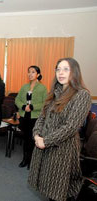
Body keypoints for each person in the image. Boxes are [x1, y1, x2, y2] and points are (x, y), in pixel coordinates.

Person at [28, 58, 91, 201]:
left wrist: (46, 141)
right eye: (58, 69)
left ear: (74, 72)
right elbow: (42, 117)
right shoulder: (54, 92)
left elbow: (71, 127)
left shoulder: (82, 95)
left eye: (66, 69)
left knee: (60, 192)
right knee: (49, 189)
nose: (61, 73)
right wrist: (36, 135)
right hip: (44, 146)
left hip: (62, 151)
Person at [15, 66, 47, 168]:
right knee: (26, 138)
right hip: (25, 116)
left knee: (33, 139)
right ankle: (25, 159)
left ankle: (32, 161)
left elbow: (45, 103)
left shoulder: (43, 88)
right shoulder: (24, 87)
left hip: (35, 117)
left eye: (33, 72)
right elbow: (17, 100)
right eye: (29, 72)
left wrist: (33, 107)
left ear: (38, 74)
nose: (30, 74)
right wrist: (24, 106)